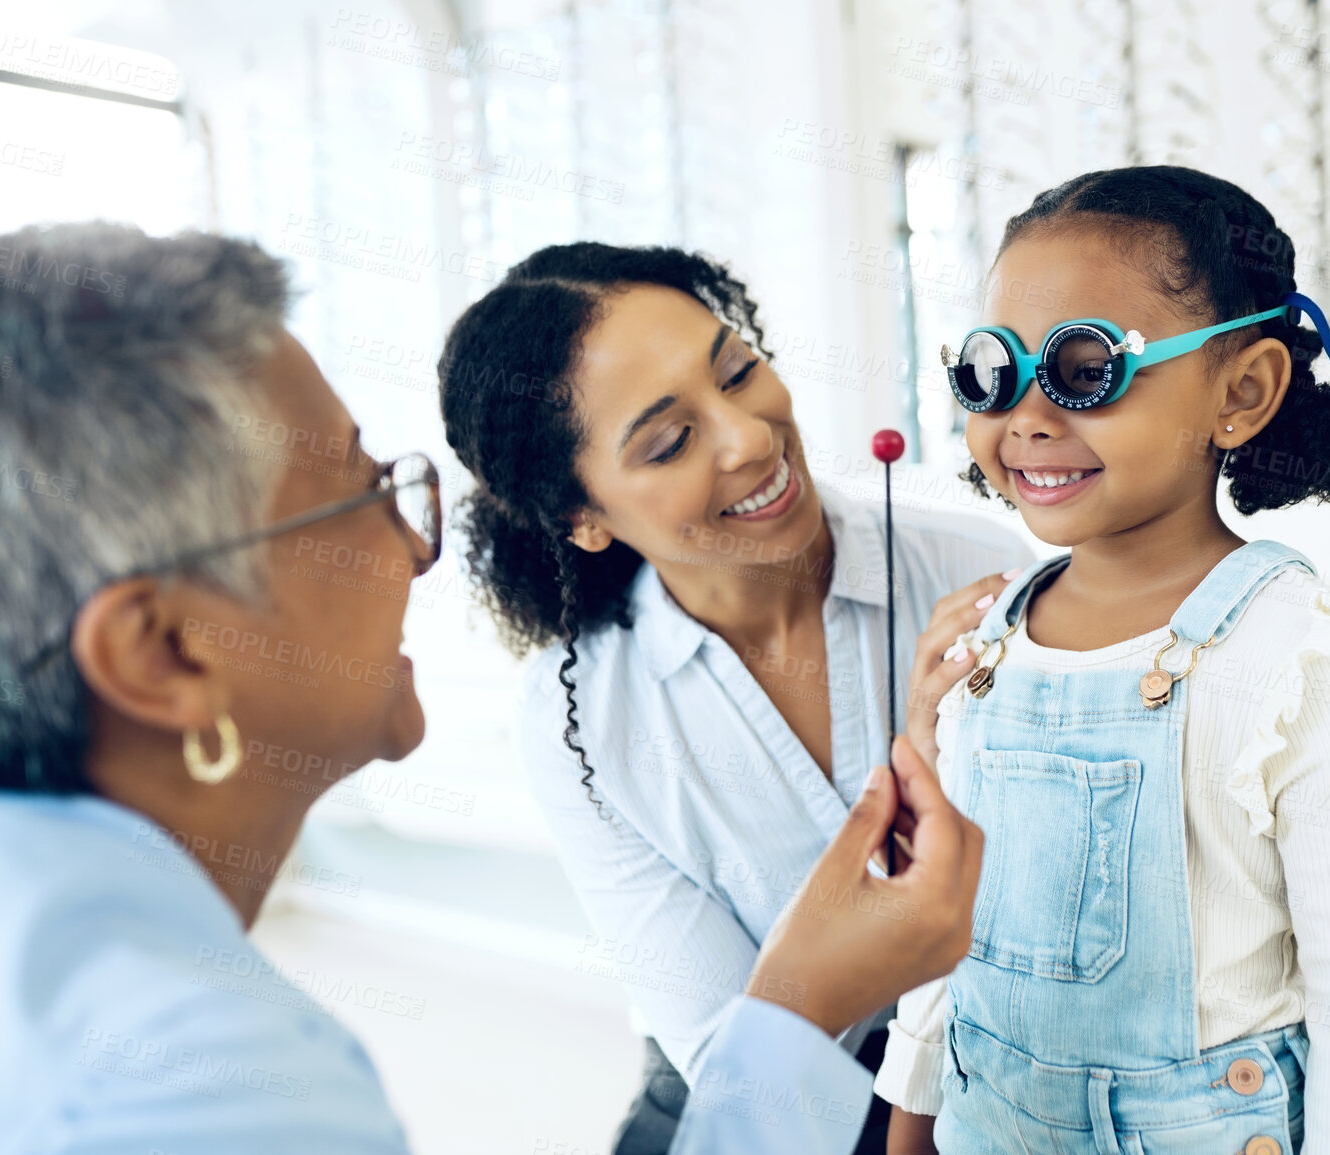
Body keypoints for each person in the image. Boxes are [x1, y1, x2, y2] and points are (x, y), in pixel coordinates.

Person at [0, 223, 983, 1155]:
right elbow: (722, 1063)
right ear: (164, 655)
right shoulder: (195, 1092)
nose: (412, 547)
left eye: (740, 372)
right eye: (356, 492)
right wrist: (808, 1002)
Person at [878, 167, 1330, 1154]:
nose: (1030, 416)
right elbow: (942, 929)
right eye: (990, 370)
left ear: (1242, 391)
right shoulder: (983, 642)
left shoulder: (1308, 657)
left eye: (1085, 369)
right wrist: (908, 1119)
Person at [436, 242, 1033, 1154]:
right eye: (670, 441)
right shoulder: (580, 724)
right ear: (582, 518)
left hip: (994, 1080)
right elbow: (736, 1081)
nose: (751, 436)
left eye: (740, 371)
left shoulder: (976, 576)